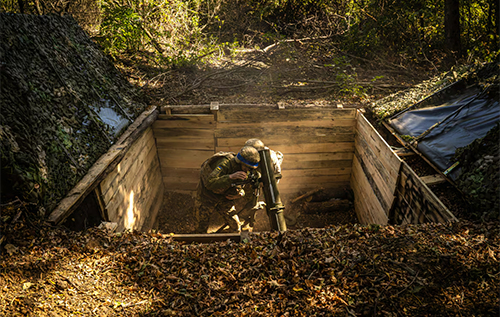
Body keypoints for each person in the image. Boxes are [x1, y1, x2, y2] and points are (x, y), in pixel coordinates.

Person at [194, 146, 261, 234]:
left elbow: (242, 186)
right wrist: (230, 177)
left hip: (224, 198)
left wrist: (240, 193)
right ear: (239, 161)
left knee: (236, 227)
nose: (248, 169)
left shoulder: (246, 170)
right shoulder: (225, 163)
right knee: (200, 229)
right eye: (246, 166)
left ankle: (223, 242)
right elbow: (209, 183)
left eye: (250, 168)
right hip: (207, 197)